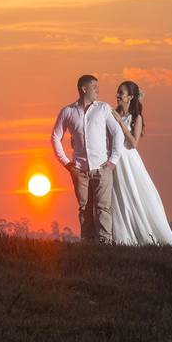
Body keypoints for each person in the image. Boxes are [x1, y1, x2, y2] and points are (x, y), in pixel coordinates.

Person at [51, 74, 125, 244]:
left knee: (103, 208)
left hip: (102, 169)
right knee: (84, 209)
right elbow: (55, 137)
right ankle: (88, 244)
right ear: (84, 89)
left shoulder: (103, 109)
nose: (98, 90)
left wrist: (112, 161)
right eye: (94, 87)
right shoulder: (68, 112)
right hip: (79, 170)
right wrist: (67, 164)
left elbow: (117, 133)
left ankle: (105, 243)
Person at [109, 81, 172, 246]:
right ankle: (121, 236)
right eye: (118, 92)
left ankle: (148, 235)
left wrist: (120, 122)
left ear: (130, 97)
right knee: (118, 197)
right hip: (115, 160)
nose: (118, 95)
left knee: (135, 194)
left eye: (122, 93)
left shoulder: (136, 117)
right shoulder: (112, 113)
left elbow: (134, 143)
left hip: (129, 161)